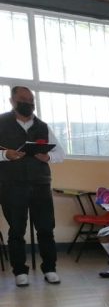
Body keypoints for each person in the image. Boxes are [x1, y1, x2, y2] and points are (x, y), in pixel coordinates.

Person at [0, 86, 65, 287]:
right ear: (12, 101)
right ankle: (20, 271)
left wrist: (48, 157)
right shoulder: (1, 122)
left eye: (31, 100)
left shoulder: (42, 126)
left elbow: (61, 154)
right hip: (11, 185)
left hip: (40, 185)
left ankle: (50, 268)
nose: (28, 103)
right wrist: (4, 154)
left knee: (46, 228)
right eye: (23, 99)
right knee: (16, 230)